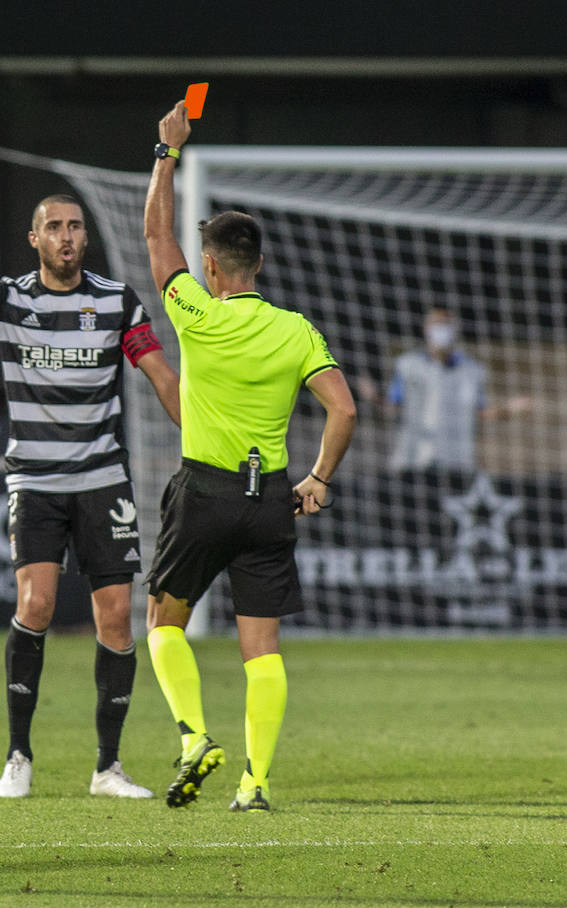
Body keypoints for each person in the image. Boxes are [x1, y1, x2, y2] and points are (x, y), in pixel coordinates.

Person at [0, 193, 181, 800]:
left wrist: (209, 439)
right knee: (38, 604)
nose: (67, 236)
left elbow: (159, 375)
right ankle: (18, 754)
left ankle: (108, 768)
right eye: (54, 227)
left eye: (75, 226)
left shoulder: (116, 302)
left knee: (114, 618)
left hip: (103, 479)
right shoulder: (7, 298)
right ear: (35, 240)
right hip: (36, 479)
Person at [142, 100, 357, 812]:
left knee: (163, 623)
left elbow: (154, 234)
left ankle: (194, 739)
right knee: (261, 649)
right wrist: (319, 478)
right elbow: (345, 408)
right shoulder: (296, 331)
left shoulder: (195, 314)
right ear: (259, 265)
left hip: (203, 493)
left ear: (211, 266)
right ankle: (256, 783)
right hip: (270, 503)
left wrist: (167, 151)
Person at [375, 308, 532, 472]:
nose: (441, 331)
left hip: (456, 461)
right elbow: (392, 406)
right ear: (426, 329)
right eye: (437, 325)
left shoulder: (471, 370)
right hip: (413, 459)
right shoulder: (407, 366)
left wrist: (509, 409)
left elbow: (482, 412)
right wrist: (373, 397)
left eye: (446, 326)